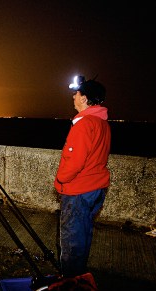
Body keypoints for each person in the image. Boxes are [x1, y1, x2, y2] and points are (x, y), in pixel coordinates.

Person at [54, 75, 111, 278]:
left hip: (79, 191)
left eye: (76, 93)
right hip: (96, 189)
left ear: (85, 98)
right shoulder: (102, 124)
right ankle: (80, 278)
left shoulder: (85, 124)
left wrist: (60, 178)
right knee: (84, 233)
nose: (73, 96)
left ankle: (69, 285)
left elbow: (75, 162)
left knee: (71, 239)